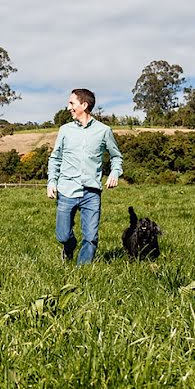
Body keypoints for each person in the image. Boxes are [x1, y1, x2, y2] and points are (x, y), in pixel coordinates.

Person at [47, 88, 123, 265]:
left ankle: (83, 273)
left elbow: (116, 156)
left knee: (90, 237)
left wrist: (114, 172)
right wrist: (51, 182)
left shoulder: (104, 131)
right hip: (66, 190)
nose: (68, 107)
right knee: (63, 235)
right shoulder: (65, 130)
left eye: (72, 103)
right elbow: (55, 158)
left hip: (91, 193)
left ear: (84, 105)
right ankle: (69, 246)